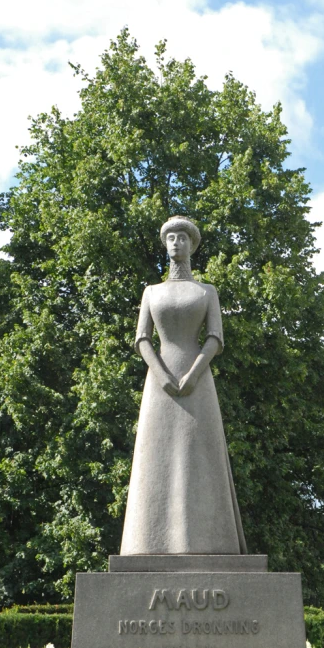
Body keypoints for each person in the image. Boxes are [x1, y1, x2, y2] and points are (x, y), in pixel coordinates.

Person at [120, 216, 247, 555]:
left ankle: (210, 542)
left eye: (182, 238)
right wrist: (162, 376)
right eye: (171, 238)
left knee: (199, 456)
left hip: (198, 381)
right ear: (165, 244)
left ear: (192, 245)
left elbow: (215, 339)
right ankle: (146, 544)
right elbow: (142, 339)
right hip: (159, 383)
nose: (176, 243)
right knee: (154, 457)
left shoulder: (206, 291)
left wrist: (192, 374)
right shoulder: (151, 292)